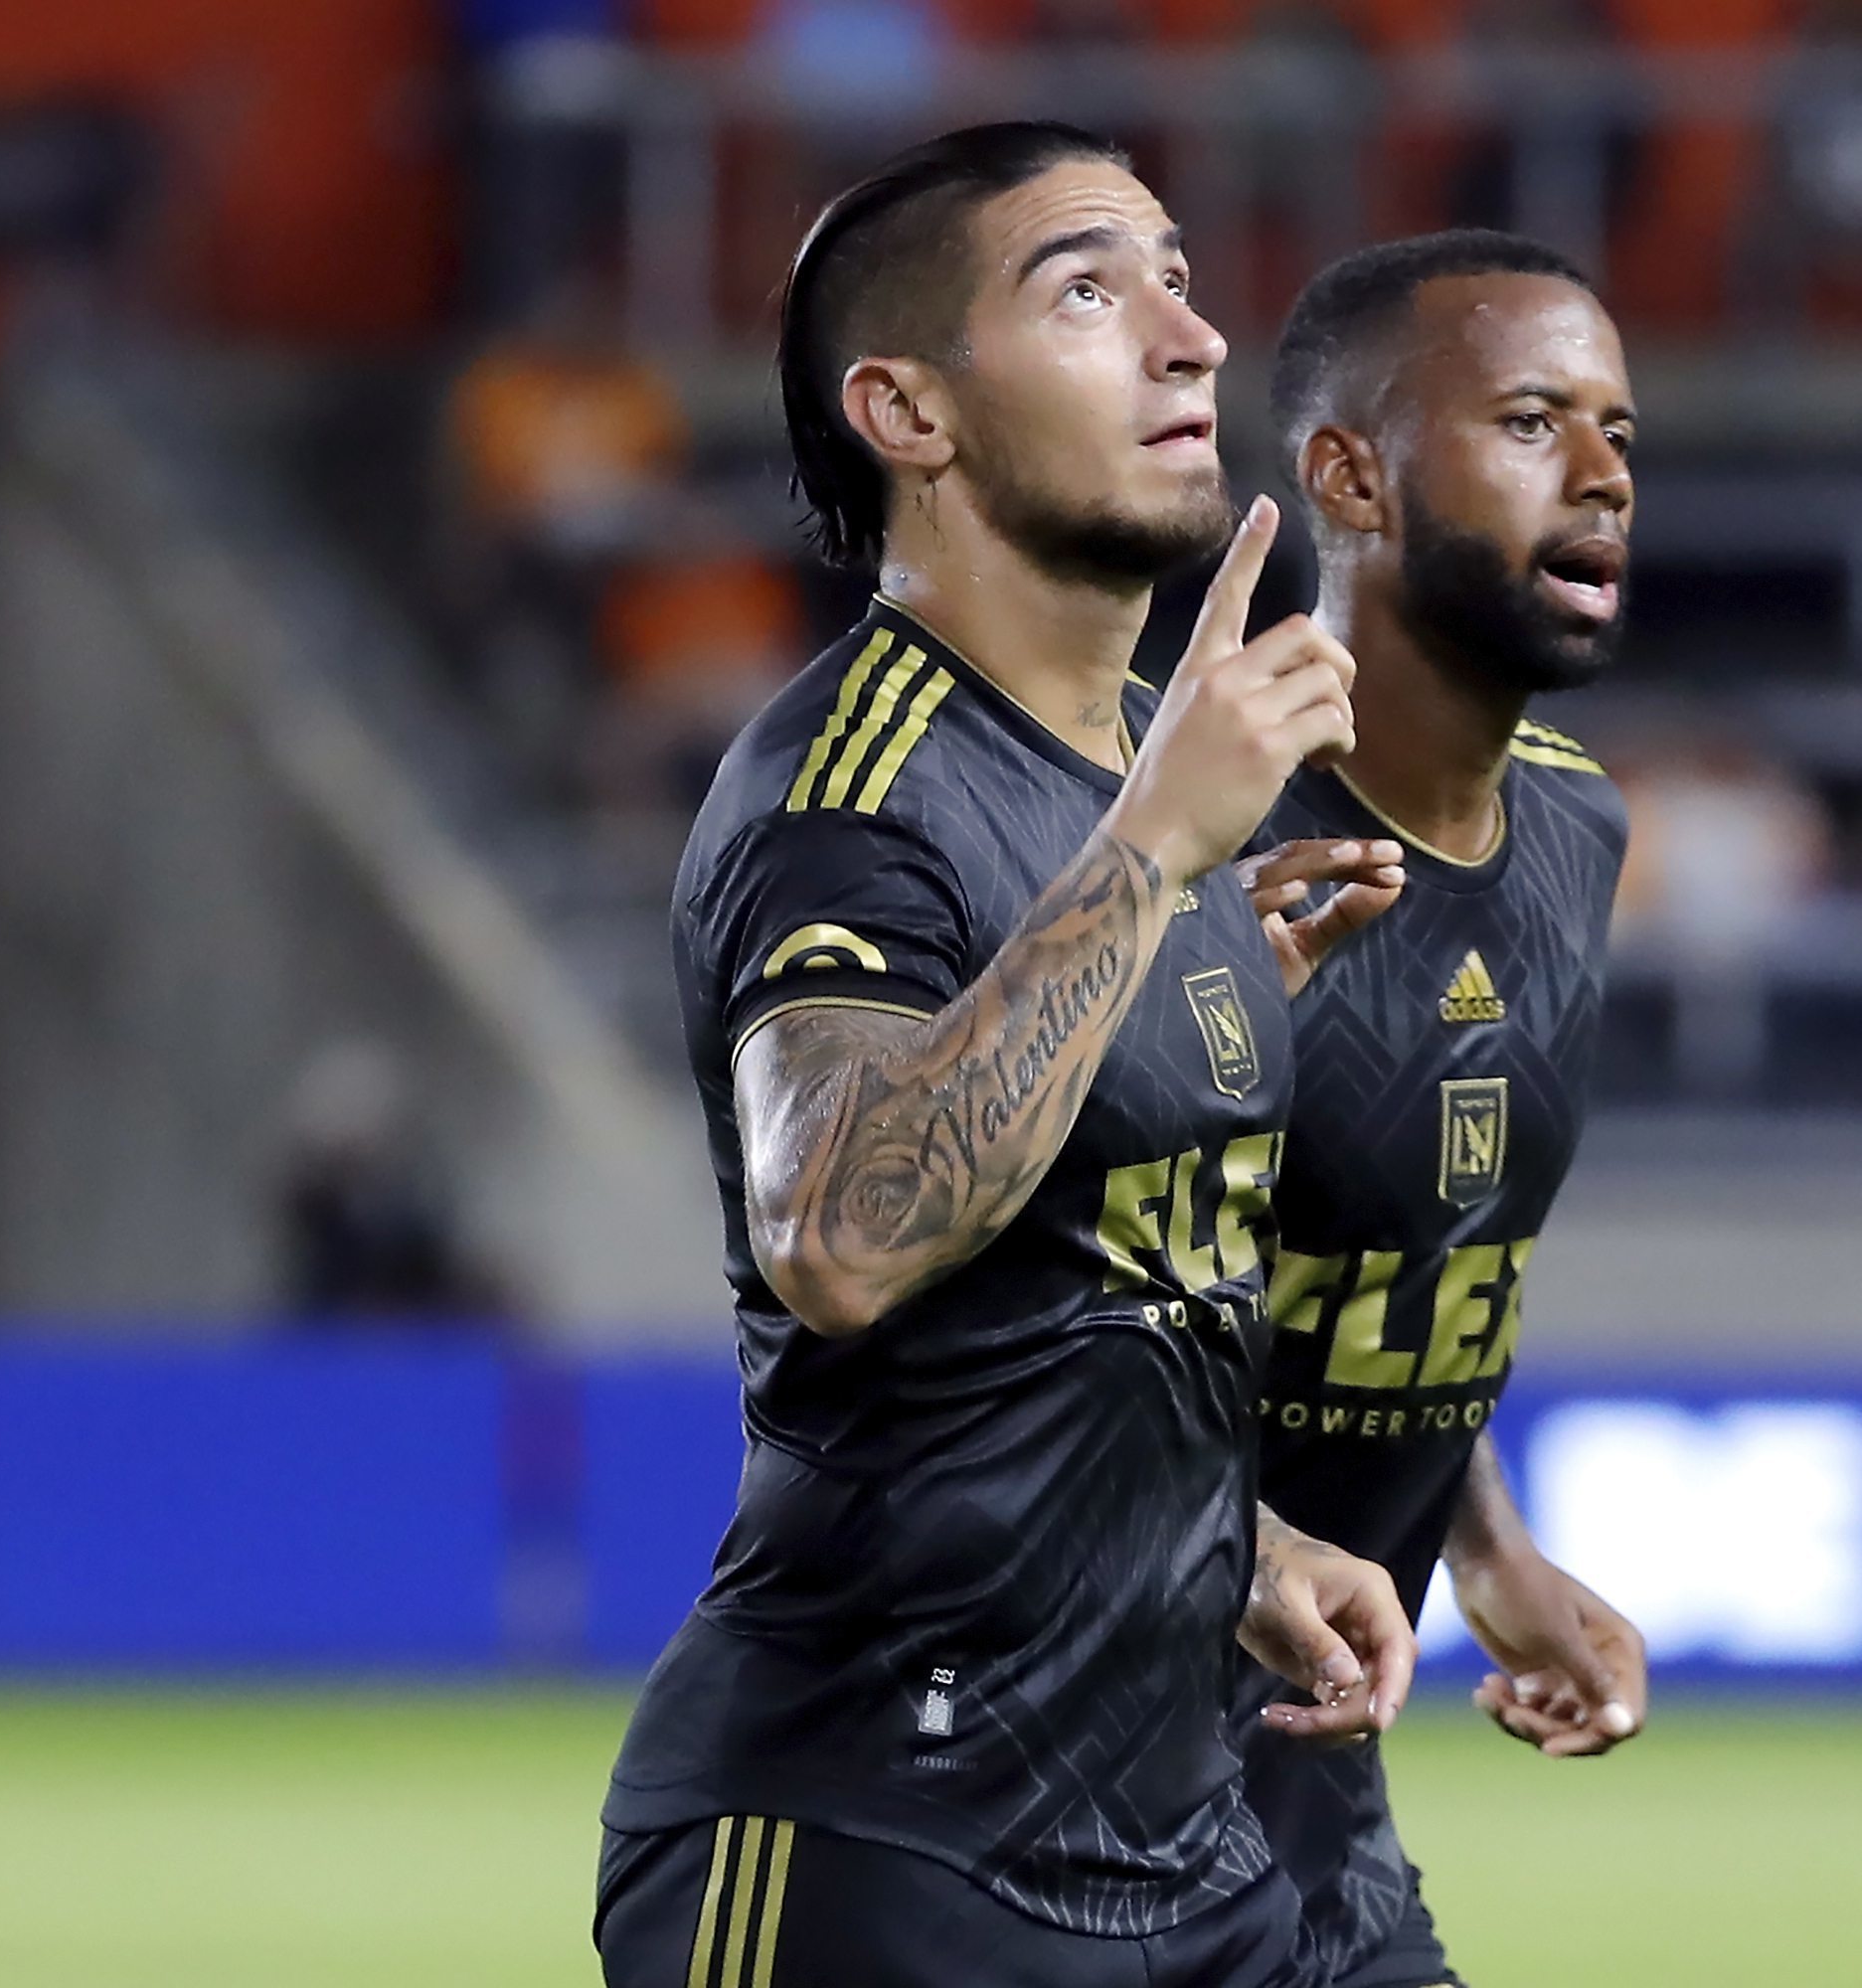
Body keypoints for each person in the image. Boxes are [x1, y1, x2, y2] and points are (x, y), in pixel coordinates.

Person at [595, 123, 1417, 1988]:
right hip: (869, 1860)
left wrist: (1248, 1546)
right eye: (1084, 289)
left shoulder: (1146, 766)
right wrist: (1147, 856)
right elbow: (844, 1232)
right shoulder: (851, 786)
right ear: (909, 410)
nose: (1190, 336)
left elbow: (1086, 1300)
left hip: (1182, 1860)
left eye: (1178, 277)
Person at [1238, 230, 1652, 1988]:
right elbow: (994, 1296)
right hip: (1018, 1788)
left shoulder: (1573, 824)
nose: (1605, 474)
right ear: (1350, 475)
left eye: (1622, 432)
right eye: (1533, 419)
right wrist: (1237, 1540)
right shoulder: (1176, 827)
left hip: (1304, 1810)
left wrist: (1484, 1543)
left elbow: (1398, 1243)